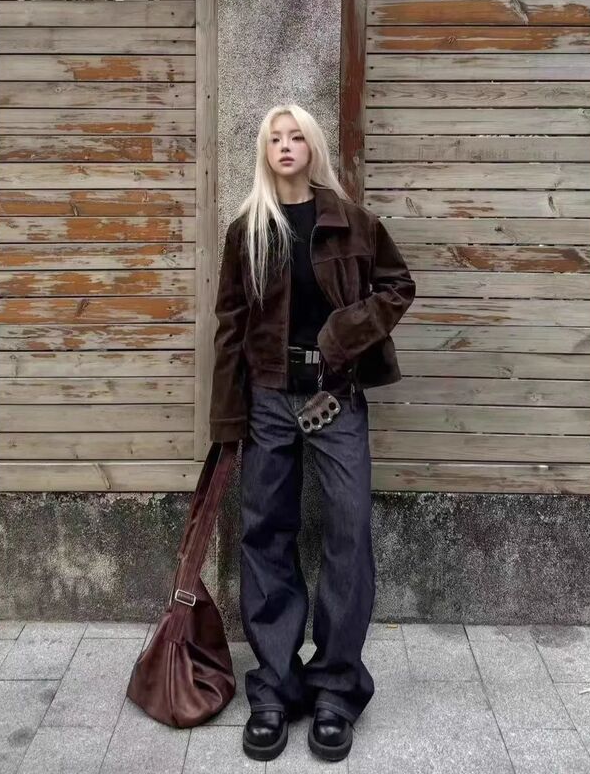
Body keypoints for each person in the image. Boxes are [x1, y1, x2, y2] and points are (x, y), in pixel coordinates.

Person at [209, 104, 416, 762]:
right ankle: (274, 687)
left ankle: (335, 690)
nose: (285, 145)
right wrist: (228, 418)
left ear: (313, 146)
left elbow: (397, 286)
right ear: (264, 151)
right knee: (266, 532)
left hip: (337, 396)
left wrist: (342, 333)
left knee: (349, 533)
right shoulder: (248, 230)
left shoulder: (353, 223)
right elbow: (230, 326)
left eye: (296, 135)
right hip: (268, 398)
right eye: (274, 138)